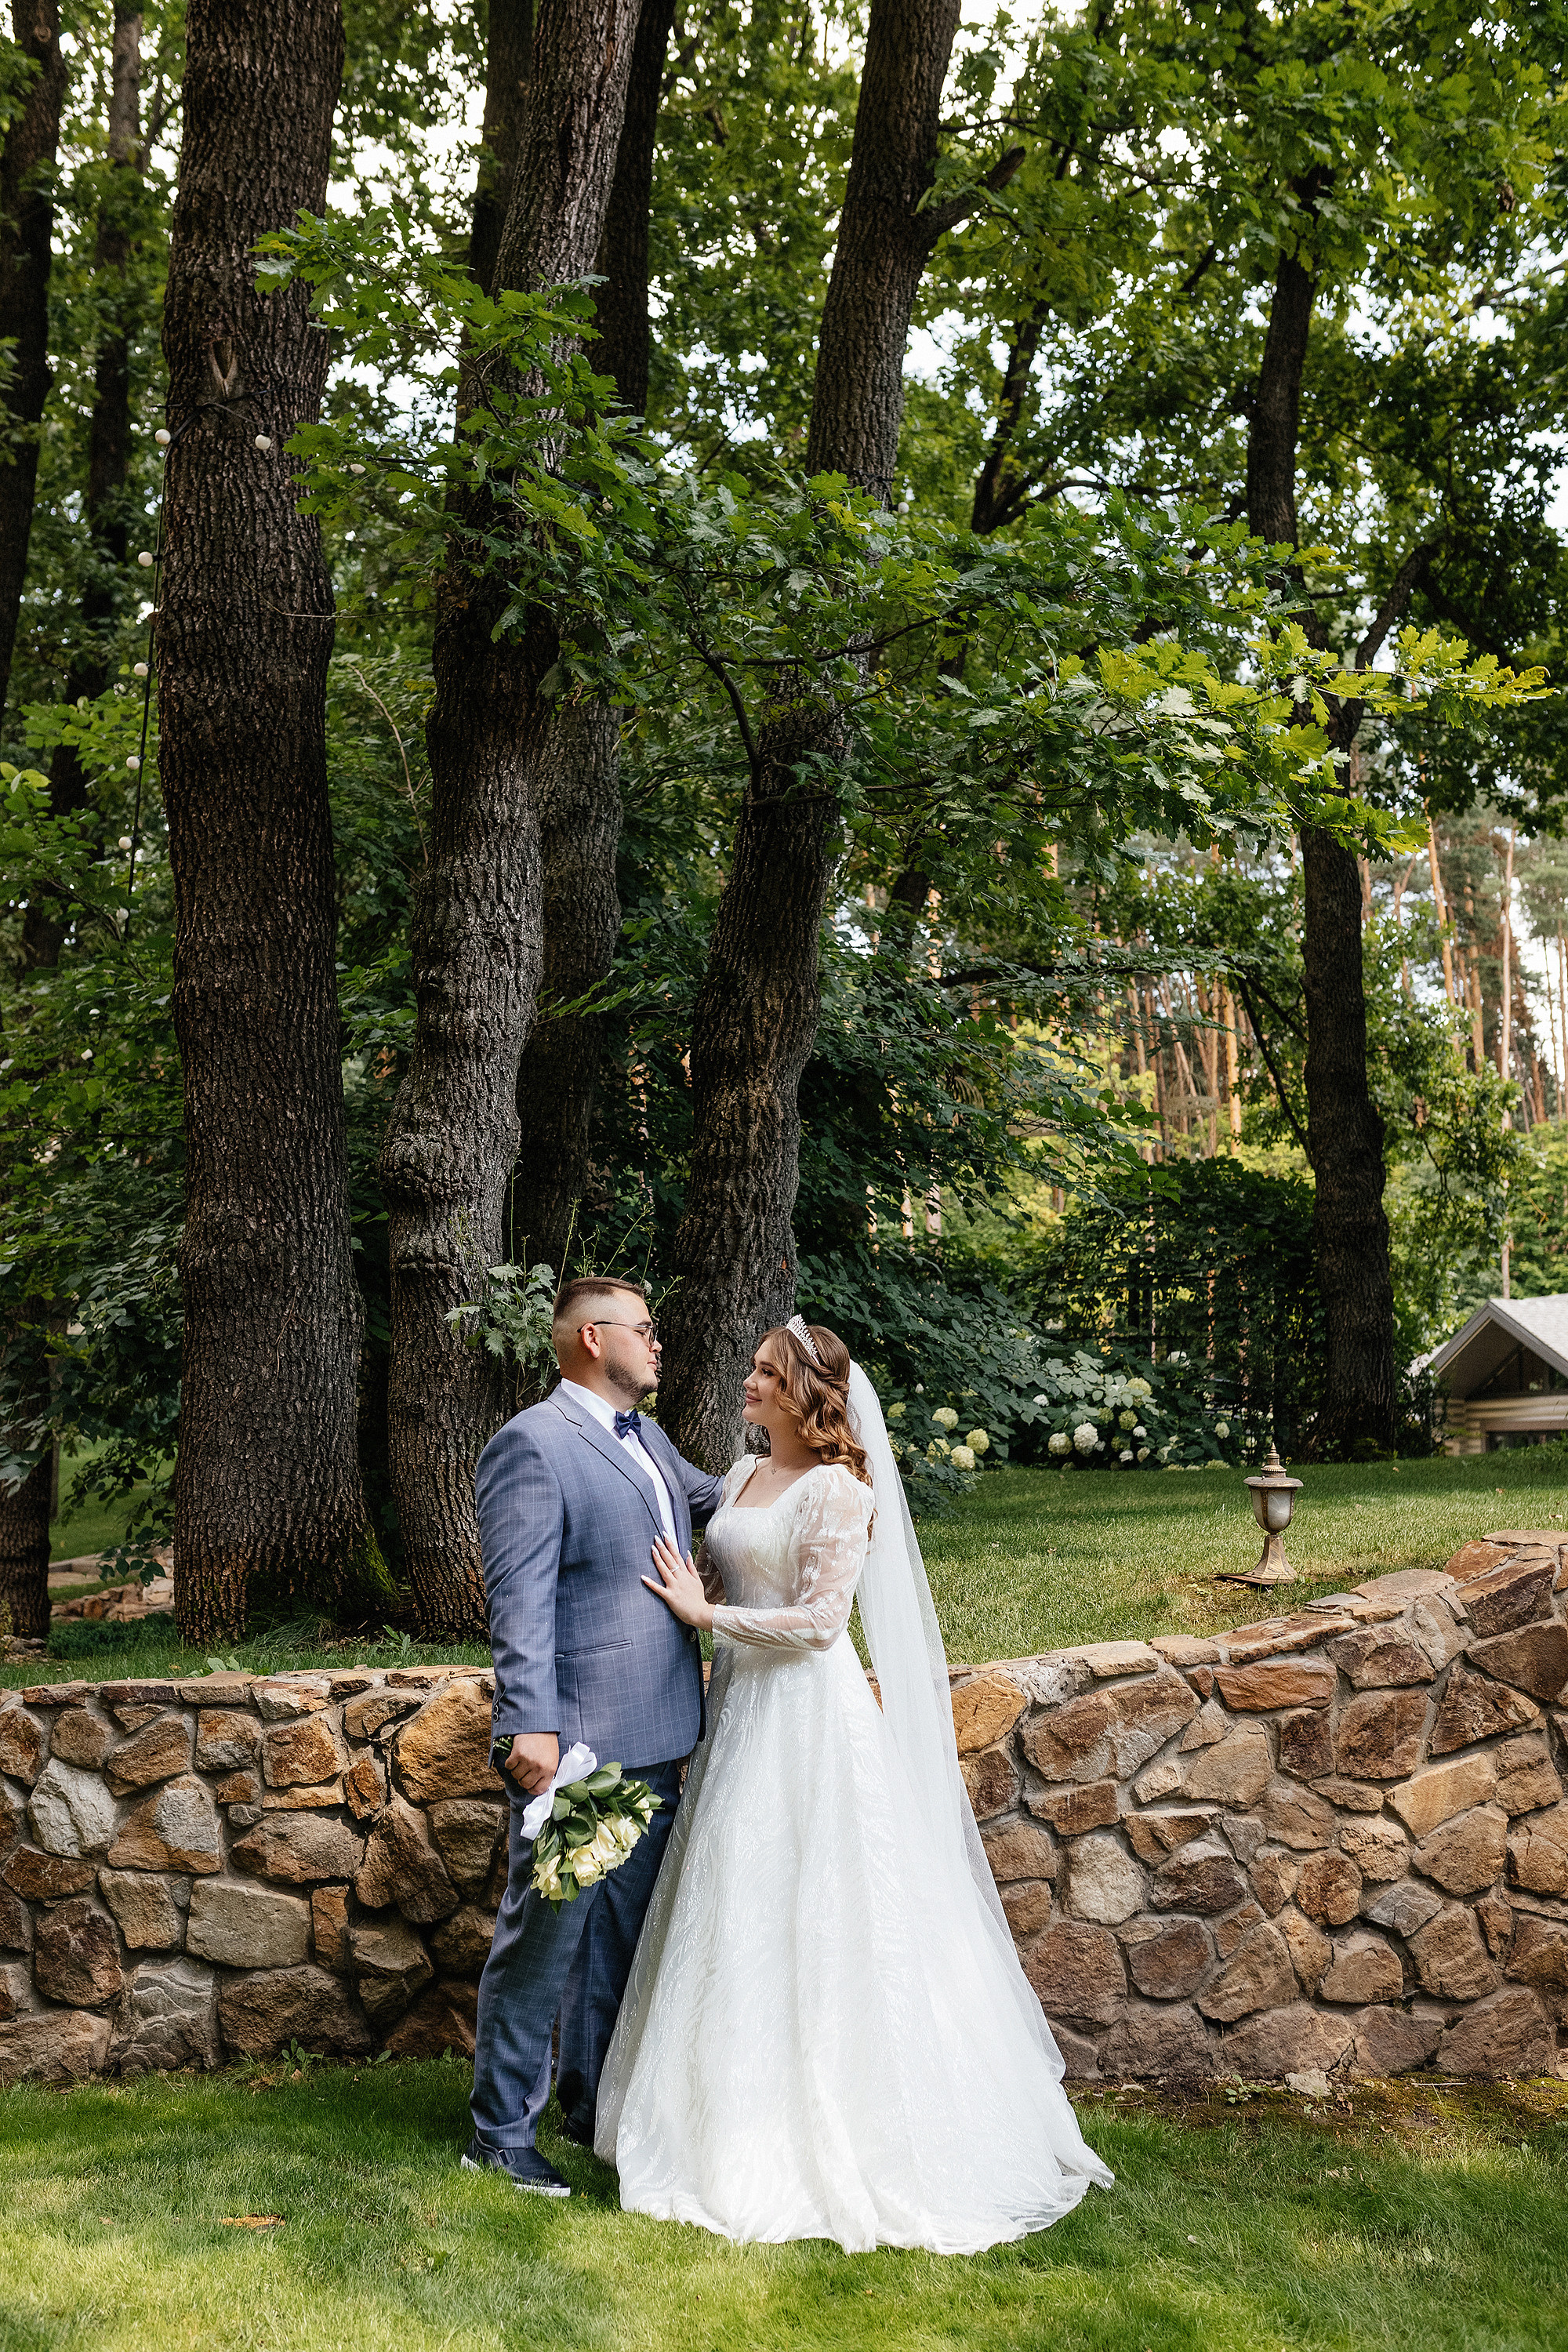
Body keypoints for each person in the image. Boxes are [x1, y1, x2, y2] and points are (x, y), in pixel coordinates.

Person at [595, 1316, 1114, 2253]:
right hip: (744, 1716)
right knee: (736, 1900)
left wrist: (702, 1610)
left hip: (807, 1714)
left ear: (807, 1390)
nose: (745, 1383)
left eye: (762, 1372)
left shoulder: (839, 1490)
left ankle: (850, 2123)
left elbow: (824, 1623)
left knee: (824, 1902)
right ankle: (718, 2114)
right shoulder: (746, 1474)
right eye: (749, 1368)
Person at [463, 1276, 725, 2196]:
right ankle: (497, 2132)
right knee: (546, 1940)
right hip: (579, 1748)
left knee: (616, 1941)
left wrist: (813, 1468)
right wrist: (528, 1720)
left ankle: (589, 2104)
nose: (658, 1344)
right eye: (643, 1330)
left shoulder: (643, 1433)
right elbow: (519, 1599)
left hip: (655, 1734)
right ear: (587, 1339)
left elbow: (715, 1499)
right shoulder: (532, 1444)